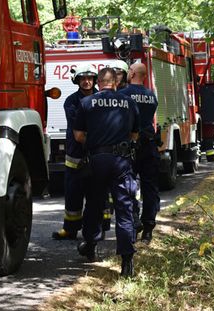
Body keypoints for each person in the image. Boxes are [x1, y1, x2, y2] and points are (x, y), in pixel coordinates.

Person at [73, 67, 140, 277]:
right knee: (124, 208)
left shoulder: (86, 103)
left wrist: (96, 144)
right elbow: (135, 135)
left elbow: (78, 136)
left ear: (98, 82)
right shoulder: (129, 102)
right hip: (121, 161)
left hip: (97, 160)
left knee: (94, 204)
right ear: (115, 82)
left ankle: (91, 245)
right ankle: (127, 262)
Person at [52, 64, 98, 240]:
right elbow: (80, 128)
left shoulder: (100, 98)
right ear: (77, 81)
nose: (86, 82)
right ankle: (70, 229)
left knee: (96, 192)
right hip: (75, 155)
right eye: (83, 79)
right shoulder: (70, 101)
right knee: (73, 193)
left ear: (94, 80)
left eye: (89, 78)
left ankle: (96, 228)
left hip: (96, 153)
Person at [119, 62, 160, 243]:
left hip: (131, 145)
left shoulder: (123, 95)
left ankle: (134, 220)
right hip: (150, 146)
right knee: (150, 187)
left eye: (129, 70)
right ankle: (149, 227)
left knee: (129, 185)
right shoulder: (151, 96)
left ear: (133, 73)